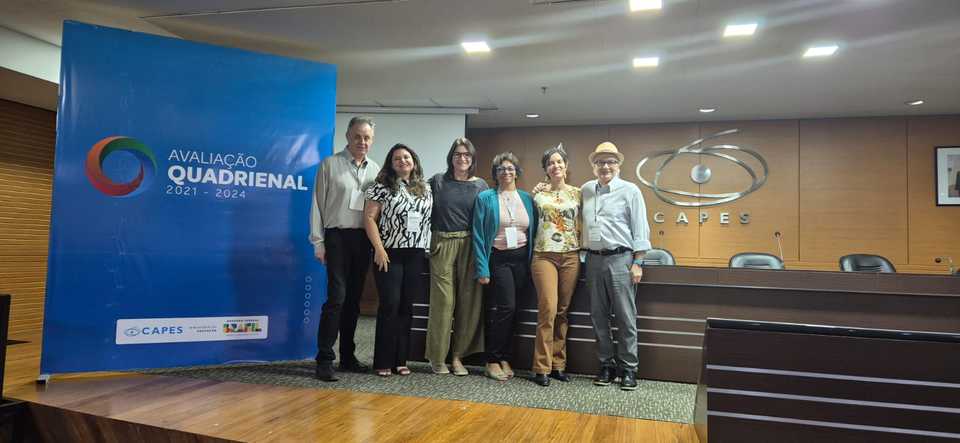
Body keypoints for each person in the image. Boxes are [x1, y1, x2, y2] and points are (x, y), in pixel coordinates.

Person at [309, 116, 380, 382]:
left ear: (372, 140)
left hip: (362, 239)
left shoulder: (376, 170)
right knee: (337, 298)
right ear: (348, 136)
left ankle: (348, 357)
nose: (362, 141)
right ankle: (324, 359)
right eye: (357, 136)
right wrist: (318, 242)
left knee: (353, 301)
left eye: (367, 137)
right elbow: (317, 205)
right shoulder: (330, 165)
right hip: (336, 236)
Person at [581, 141, 651, 391]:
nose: (605, 166)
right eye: (600, 162)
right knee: (598, 316)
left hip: (621, 259)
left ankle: (629, 368)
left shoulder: (630, 190)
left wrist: (638, 262)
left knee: (625, 316)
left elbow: (640, 228)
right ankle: (606, 365)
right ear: (594, 166)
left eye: (610, 162)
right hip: (593, 260)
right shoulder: (586, 190)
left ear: (618, 165)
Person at [363, 143, 432, 377]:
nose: (403, 161)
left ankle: (400, 360)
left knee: (406, 306)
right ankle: (383, 361)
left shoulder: (425, 187)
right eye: (397, 158)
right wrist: (379, 248)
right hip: (389, 253)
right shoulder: (381, 186)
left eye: (406, 157)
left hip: (416, 254)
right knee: (390, 304)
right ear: (391, 164)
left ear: (414, 160)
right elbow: (369, 218)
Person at [424, 138, 488, 376]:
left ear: (472, 159)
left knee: (468, 303)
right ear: (451, 157)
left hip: (470, 245)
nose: (462, 158)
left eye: (467, 155)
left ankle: (458, 357)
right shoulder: (437, 181)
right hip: (442, 243)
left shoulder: (480, 185)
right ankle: (437, 358)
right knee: (443, 303)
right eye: (458, 154)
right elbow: (417, 201)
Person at [473, 152, 537, 381]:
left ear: (517, 173)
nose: (506, 172)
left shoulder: (527, 198)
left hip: (522, 260)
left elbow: (533, 231)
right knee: (506, 308)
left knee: (516, 310)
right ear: (495, 173)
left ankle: (504, 358)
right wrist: (482, 268)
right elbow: (478, 235)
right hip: (498, 259)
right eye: (501, 169)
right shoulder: (485, 198)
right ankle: (492, 359)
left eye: (510, 168)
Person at [528, 145, 581, 387]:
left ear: (566, 166)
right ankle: (541, 367)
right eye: (551, 163)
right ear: (545, 169)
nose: (555, 166)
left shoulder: (578, 193)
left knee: (562, 311)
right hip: (544, 256)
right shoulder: (537, 194)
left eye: (559, 162)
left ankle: (558, 364)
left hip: (570, 256)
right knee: (548, 309)